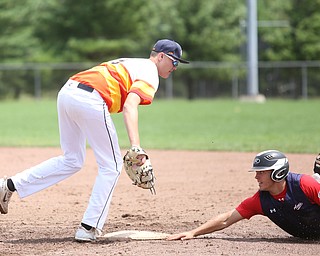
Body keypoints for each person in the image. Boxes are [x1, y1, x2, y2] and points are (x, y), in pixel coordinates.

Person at [0, 39, 189, 242]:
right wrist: (136, 146)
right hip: (90, 100)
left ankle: (8, 185)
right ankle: (88, 227)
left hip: (67, 92)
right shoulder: (151, 72)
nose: (175, 67)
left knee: (71, 159)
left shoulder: (132, 62)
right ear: (161, 56)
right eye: (174, 62)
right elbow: (130, 106)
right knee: (112, 165)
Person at [167, 150, 320, 240]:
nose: (256, 177)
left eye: (261, 172)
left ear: (278, 173)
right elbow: (226, 219)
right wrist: (193, 232)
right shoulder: (260, 201)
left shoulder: (304, 185)